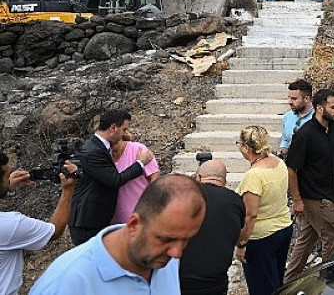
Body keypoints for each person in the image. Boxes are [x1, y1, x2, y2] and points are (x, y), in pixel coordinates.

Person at [31, 174, 206, 295]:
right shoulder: (66, 284)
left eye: (186, 239)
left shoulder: (163, 257)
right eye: (166, 239)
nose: (177, 253)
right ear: (134, 224)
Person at [284, 89, 334, 282]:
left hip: (328, 192)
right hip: (314, 197)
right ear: (319, 108)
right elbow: (292, 169)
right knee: (332, 239)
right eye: (333, 107)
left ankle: (287, 281)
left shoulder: (333, 128)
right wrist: (297, 201)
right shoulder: (305, 135)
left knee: (307, 239)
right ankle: (329, 283)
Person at [69, 109, 154, 245]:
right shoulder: (92, 151)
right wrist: (140, 163)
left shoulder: (99, 147)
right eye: (124, 129)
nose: (125, 133)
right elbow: (115, 180)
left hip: (98, 220)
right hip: (88, 222)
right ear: (113, 128)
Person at [0, 152, 77, 295]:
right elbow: (55, 231)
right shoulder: (10, 225)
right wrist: (67, 190)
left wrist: (6, 185)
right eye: (6, 176)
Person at [234, 126, 293, 295]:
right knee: (276, 283)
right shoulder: (279, 162)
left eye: (239, 144)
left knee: (261, 288)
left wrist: (241, 243)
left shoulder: (254, 175)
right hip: (283, 228)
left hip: (261, 238)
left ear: (246, 147)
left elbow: (251, 214)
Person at [180, 159, 245, 295]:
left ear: (198, 177)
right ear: (225, 182)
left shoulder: (181, 197)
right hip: (216, 283)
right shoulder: (236, 202)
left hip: (181, 282)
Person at [109, 131, 160, 224]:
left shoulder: (138, 149)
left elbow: (155, 177)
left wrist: (147, 204)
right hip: (113, 221)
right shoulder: (100, 154)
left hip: (140, 218)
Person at [279, 79, 315, 159]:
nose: (290, 102)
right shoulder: (287, 117)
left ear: (307, 99)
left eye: (294, 98)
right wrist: (283, 149)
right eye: (289, 97)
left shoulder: (318, 118)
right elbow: (285, 139)